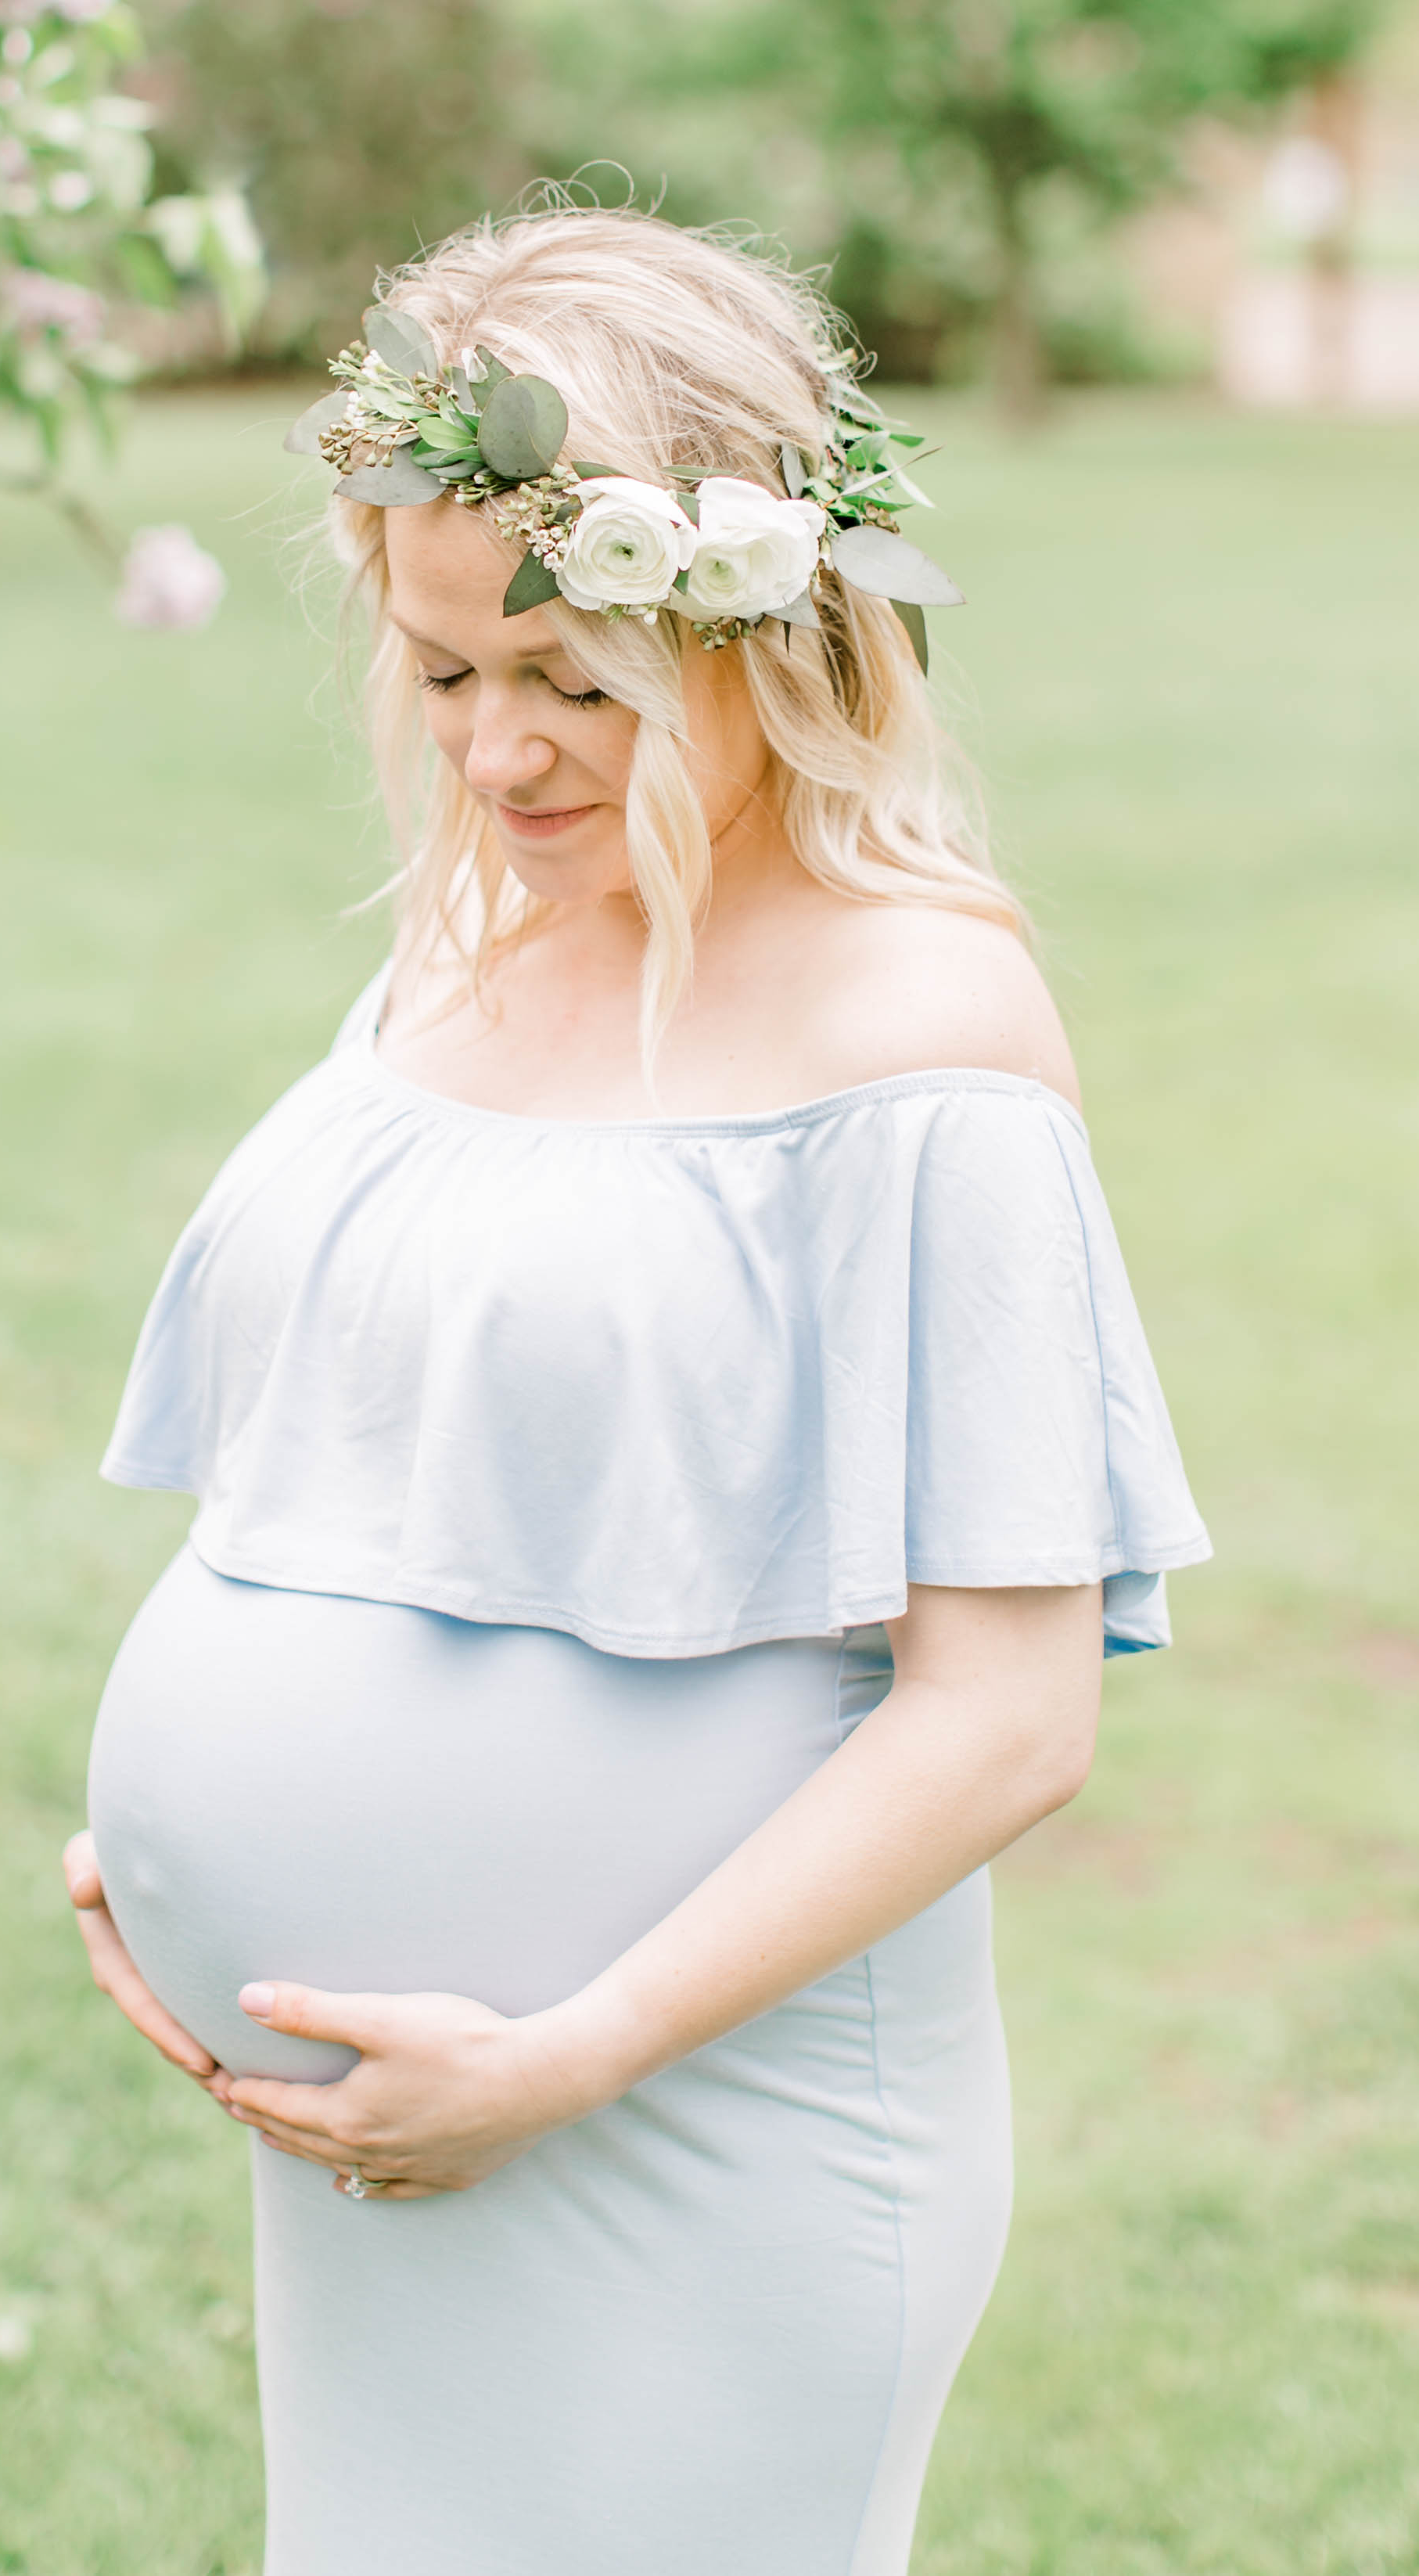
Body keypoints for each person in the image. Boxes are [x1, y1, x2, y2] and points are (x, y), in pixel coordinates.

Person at [63, 206, 1210, 2576]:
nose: (495, 744)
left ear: (765, 627)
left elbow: (1007, 1712)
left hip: (701, 2134)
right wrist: (176, 1834)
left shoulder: (920, 1036)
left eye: (568, 675)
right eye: (439, 662)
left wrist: (563, 2050)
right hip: (399, 2128)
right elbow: (391, 1445)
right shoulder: (473, 946)